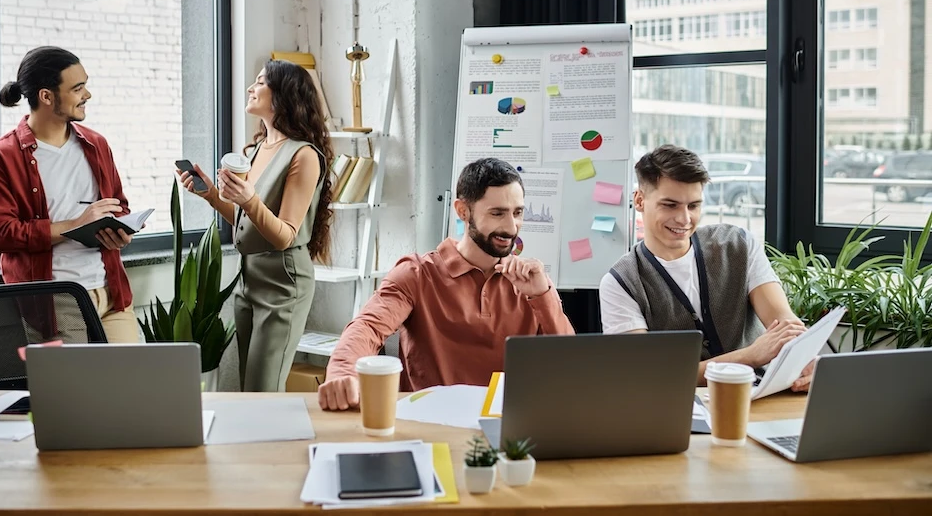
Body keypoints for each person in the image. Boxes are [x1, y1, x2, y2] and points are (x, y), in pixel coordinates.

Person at [318, 157, 575, 411]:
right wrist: (343, 372)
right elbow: (367, 327)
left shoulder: (532, 282)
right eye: (497, 213)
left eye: (518, 213)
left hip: (507, 425)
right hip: (428, 423)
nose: (511, 227)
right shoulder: (417, 273)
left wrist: (542, 295)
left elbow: (569, 362)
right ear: (463, 211)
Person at [599, 145, 814, 391]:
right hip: (685, 410)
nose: (684, 219)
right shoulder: (621, 282)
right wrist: (750, 356)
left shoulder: (738, 245)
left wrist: (804, 356)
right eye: (670, 205)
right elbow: (645, 373)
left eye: (693, 206)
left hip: (766, 394)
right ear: (639, 200)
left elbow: (782, 321)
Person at [179, 60, 332, 392]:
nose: (251, 88)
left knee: (264, 388)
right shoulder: (259, 148)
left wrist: (248, 200)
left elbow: (284, 236)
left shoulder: (303, 155)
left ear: (283, 95)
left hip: (282, 283)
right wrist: (211, 195)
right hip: (248, 281)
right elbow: (250, 224)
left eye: (260, 82)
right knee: (243, 385)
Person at [0, 46, 139, 343]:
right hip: (56, 300)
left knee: (134, 384)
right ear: (46, 96)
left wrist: (121, 229)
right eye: (77, 88)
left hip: (112, 292)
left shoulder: (96, 144)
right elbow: (0, 234)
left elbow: (119, 205)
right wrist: (77, 225)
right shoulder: (1, 156)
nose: (87, 95)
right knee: (74, 390)